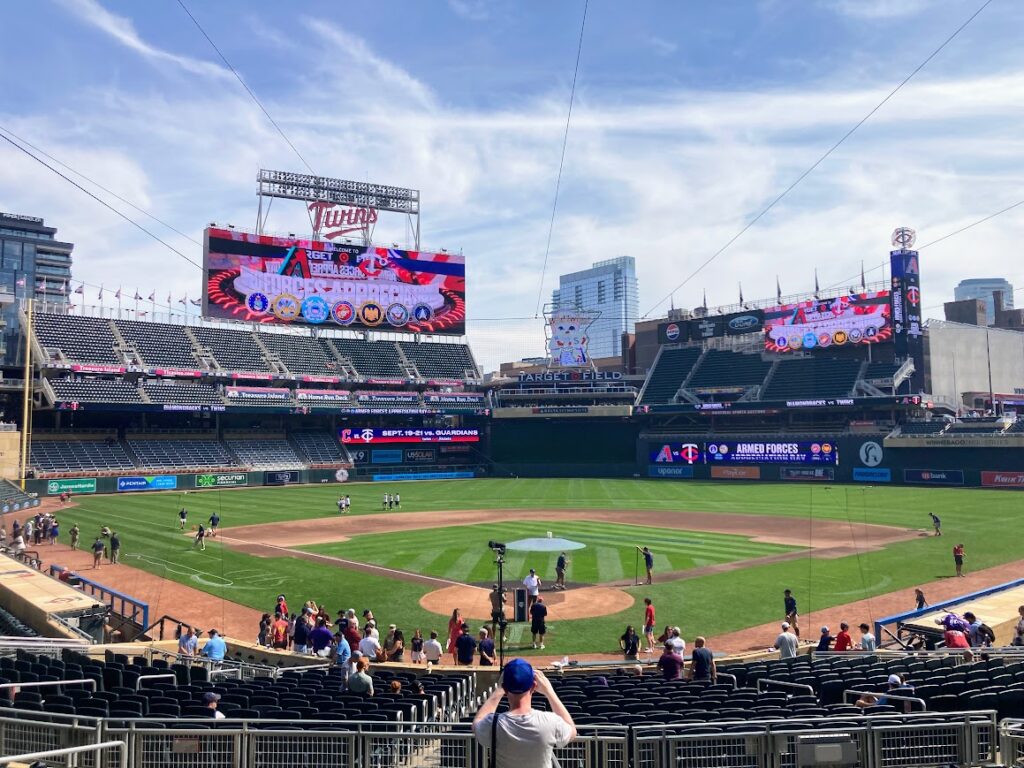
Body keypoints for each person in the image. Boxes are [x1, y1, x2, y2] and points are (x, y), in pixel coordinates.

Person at [472, 659, 576, 768]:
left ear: (505, 688)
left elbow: (476, 723)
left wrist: (499, 690)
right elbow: (572, 731)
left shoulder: (492, 723)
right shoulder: (550, 721)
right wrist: (549, 692)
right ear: (534, 686)